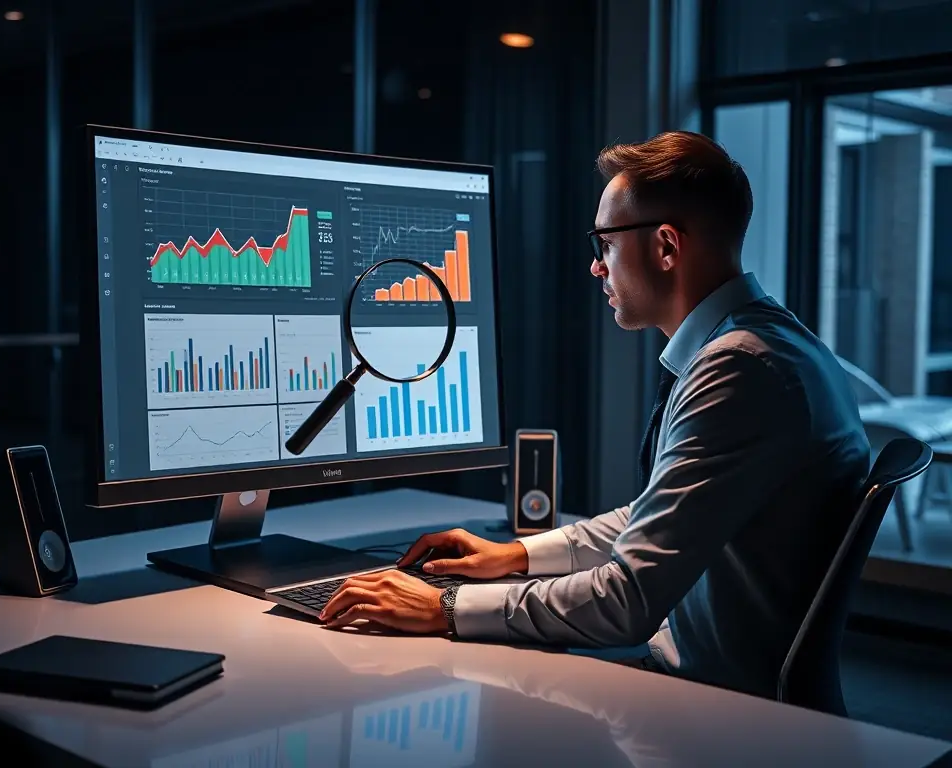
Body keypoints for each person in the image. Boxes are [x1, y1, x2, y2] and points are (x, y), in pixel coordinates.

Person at [321, 130, 871, 700]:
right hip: (713, 689)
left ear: (665, 247)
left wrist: (446, 605)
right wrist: (517, 554)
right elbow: (662, 515)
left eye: (604, 242)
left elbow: (627, 602)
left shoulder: (738, 369)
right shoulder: (769, 342)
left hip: (714, 713)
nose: (595, 267)